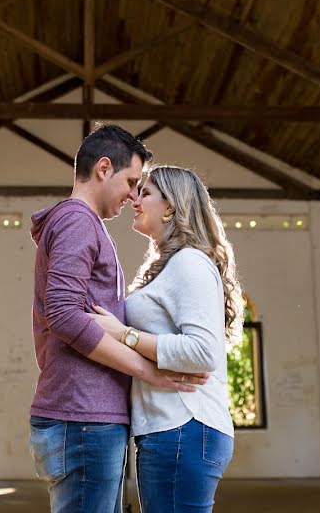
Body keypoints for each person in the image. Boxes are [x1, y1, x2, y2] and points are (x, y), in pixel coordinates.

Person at [29, 126, 206, 513]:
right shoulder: (77, 221)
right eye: (130, 181)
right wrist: (148, 371)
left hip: (85, 416)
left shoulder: (81, 224)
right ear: (103, 169)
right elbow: (64, 313)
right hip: (82, 418)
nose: (132, 195)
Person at [90, 165, 243, 513]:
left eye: (145, 193)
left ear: (171, 206)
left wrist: (123, 334)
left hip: (184, 427)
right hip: (171, 428)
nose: (134, 199)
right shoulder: (169, 264)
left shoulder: (189, 262)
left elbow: (203, 352)